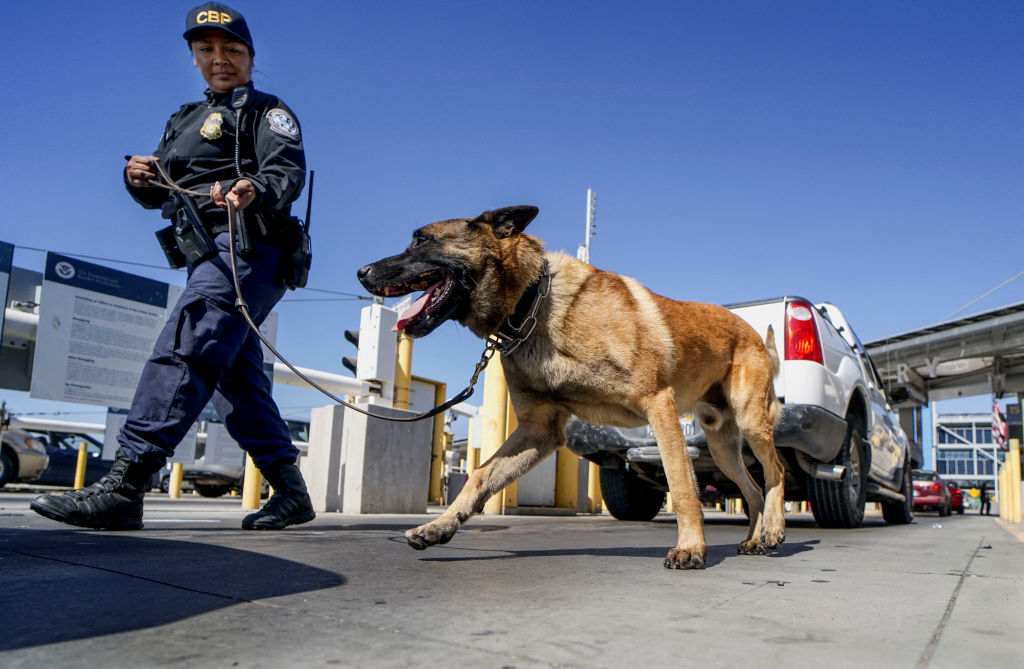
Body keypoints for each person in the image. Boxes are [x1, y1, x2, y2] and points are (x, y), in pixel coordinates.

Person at [31, 2, 314, 531]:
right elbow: (164, 190)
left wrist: (254, 187)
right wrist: (141, 177)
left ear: (250, 56)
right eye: (206, 49)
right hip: (205, 251)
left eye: (231, 49)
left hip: (248, 247)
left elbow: (287, 172)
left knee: (186, 346)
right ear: (193, 57)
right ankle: (291, 492)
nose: (219, 59)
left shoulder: (267, 111)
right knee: (236, 376)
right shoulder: (182, 118)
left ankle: (127, 485)